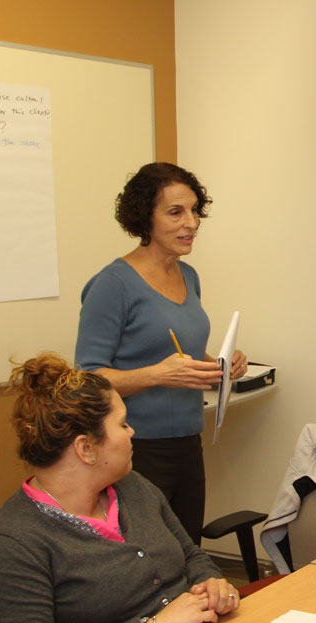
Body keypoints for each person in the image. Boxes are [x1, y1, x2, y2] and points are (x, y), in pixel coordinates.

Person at [0, 354, 241, 623]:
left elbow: (190, 556)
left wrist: (210, 583)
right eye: (123, 424)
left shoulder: (134, 487)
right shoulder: (10, 546)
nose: (132, 433)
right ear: (86, 448)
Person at [75, 162, 247, 544]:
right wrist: (157, 375)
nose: (191, 223)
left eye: (194, 211)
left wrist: (219, 363)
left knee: (187, 552)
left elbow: (180, 351)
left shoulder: (188, 276)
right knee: (148, 561)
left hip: (188, 439)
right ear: (144, 218)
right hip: (134, 449)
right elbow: (86, 378)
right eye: (175, 212)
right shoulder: (112, 284)